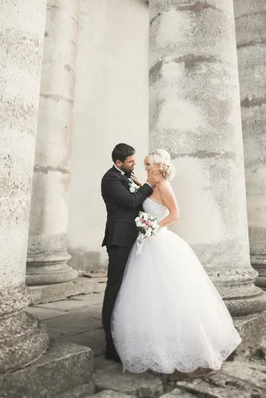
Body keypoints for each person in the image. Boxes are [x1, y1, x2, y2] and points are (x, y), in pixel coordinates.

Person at [111, 149, 242, 374]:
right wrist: (142, 184)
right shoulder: (152, 185)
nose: (146, 167)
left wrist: (153, 227)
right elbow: (149, 199)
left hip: (159, 240)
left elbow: (174, 214)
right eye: (145, 164)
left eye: (149, 164)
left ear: (160, 166)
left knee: (172, 289)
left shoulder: (164, 186)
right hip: (147, 242)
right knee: (148, 291)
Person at [101, 143, 160, 362]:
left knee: (129, 288)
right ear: (118, 163)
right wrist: (148, 185)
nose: (134, 164)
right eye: (130, 162)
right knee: (114, 289)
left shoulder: (126, 175)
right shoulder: (110, 179)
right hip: (119, 240)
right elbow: (131, 201)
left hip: (133, 238)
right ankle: (110, 345)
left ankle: (125, 334)